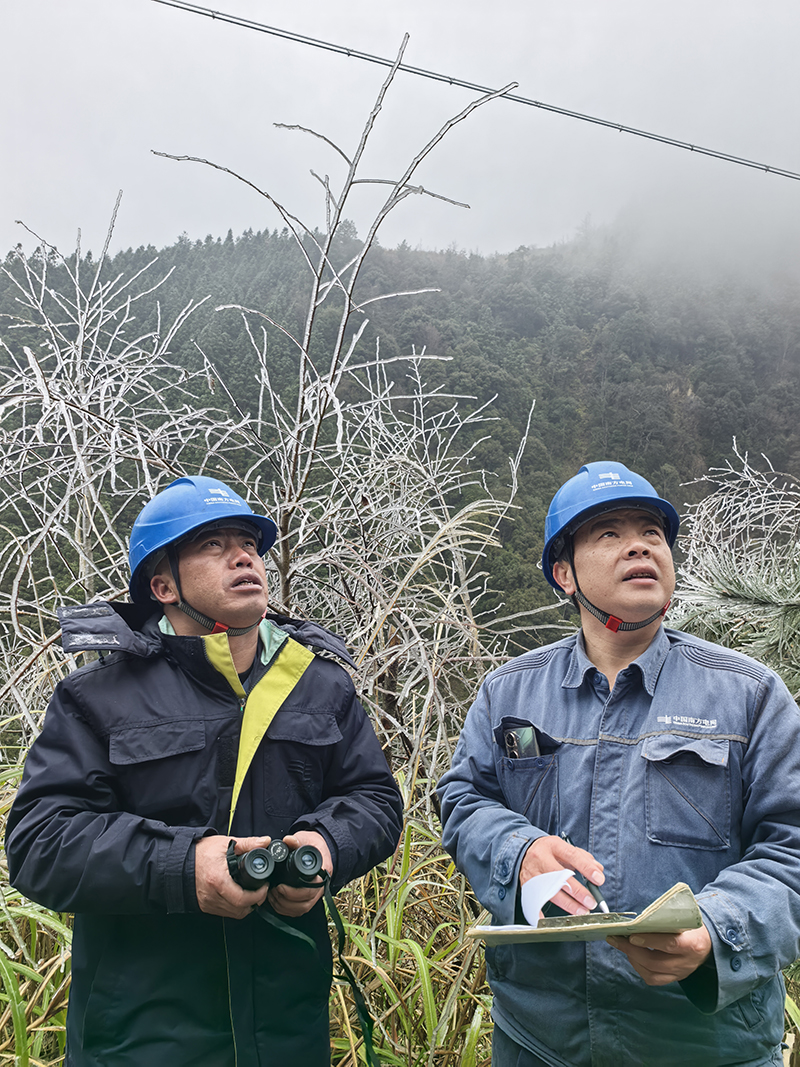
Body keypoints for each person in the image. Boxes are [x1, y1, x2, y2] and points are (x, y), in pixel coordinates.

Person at [6, 474, 403, 1067]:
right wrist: (184, 867)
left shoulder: (321, 684)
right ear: (162, 585)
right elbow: (39, 843)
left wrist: (325, 845)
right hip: (142, 1038)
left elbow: (373, 798)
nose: (244, 555)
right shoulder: (99, 696)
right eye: (211, 545)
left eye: (248, 543)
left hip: (287, 1032)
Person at [437, 460, 800, 1067]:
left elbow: (791, 844)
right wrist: (518, 851)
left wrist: (715, 929)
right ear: (563, 572)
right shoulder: (510, 694)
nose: (639, 544)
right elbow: (464, 800)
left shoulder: (749, 695)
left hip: (705, 1045)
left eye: (652, 533)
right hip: (538, 1039)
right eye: (608, 533)